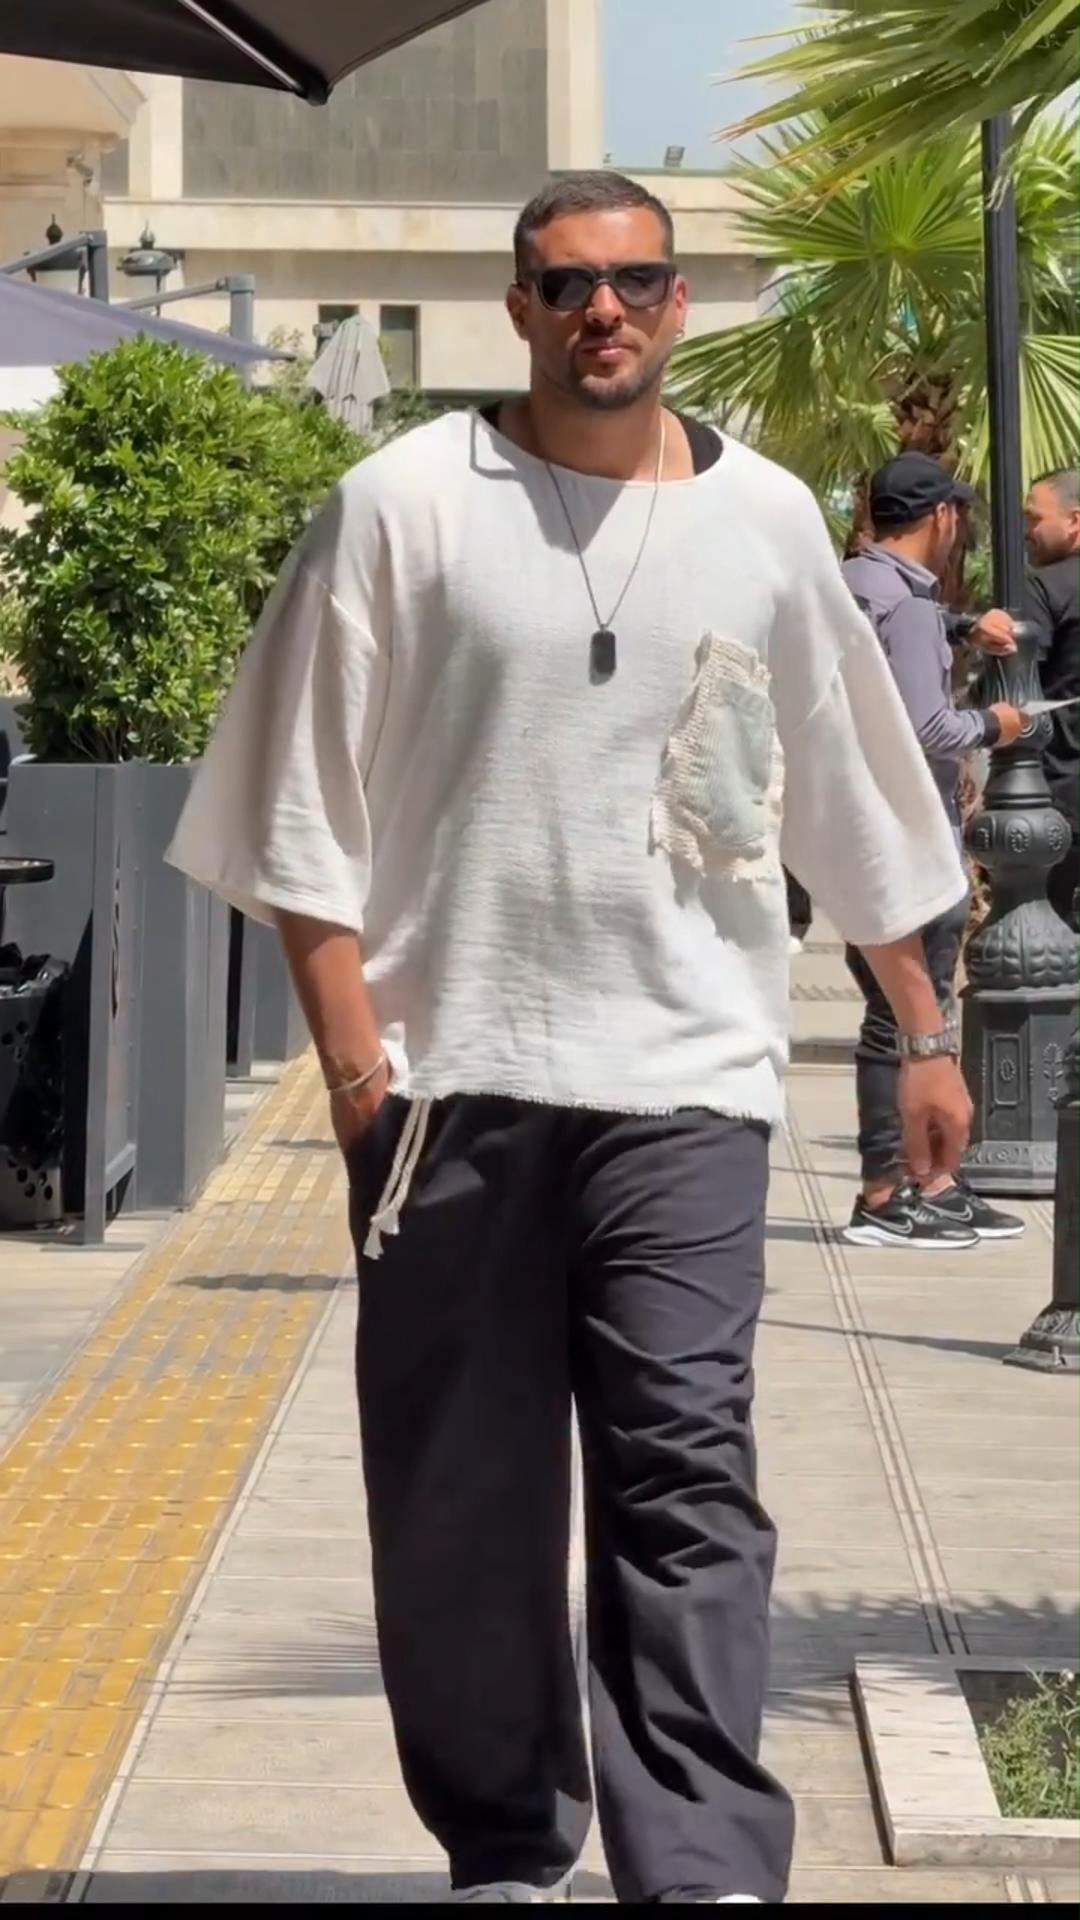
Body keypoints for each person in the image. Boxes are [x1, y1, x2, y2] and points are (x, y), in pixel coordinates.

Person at [168, 173, 976, 1907]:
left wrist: (922, 1031)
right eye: (566, 284)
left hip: (687, 1080)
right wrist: (360, 1082)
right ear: (518, 308)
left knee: (687, 1466)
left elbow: (843, 788)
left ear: (677, 303)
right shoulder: (399, 505)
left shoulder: (764, 518)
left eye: (635, 279)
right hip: (451, 1080)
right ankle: (507, 1847)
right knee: (460, 1493)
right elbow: (297, 813)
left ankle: (702, 1866)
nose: (602, 309)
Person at [841, 452, 1026, 1249]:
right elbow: (929, 728)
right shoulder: (909, 609)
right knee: (910, 1019)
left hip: (860, 833)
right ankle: (892, 1192)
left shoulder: (851, 585)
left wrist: (956, 625)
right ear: (943, 518)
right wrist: (998, 726)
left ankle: (931, 1183)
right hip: (913, 837)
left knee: (893, 1015)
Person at [1025, 468, 1079, 931]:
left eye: (1034, 518)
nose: (1028, 531)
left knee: (1048, 931)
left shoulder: (1045, 587)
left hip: (1059, 793)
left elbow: (1020, 683)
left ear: (1074, 521)